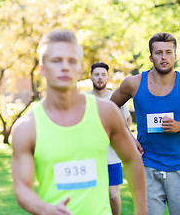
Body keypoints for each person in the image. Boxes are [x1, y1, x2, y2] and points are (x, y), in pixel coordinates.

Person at [11, 30, 147, 215]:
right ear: (42, 68)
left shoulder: (106, 113)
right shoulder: (26, 128)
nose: (65, 67)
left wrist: (141, 211)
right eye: (56, 61)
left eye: (72, 61)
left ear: (79, 70)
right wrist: (44, 209)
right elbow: (21, 188)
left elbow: (132, 160)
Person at [110, 32, 180, 215]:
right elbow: (110, 108)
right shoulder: (133, 84)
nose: (164, 57)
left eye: (169, 52)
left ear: (175, 56)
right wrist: (128, 136)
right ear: (151, 57)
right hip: (146, 165)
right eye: (159, 53)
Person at [87, 62, 132, 215]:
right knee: (93, 196)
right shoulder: (84, 100)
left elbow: (127, 121)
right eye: (97, 74)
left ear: (108, 77)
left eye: (103, 75)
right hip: (90, 157)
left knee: (113, 195)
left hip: (112, 156)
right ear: (91, 76)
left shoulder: (115, 98)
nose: (100, 78)